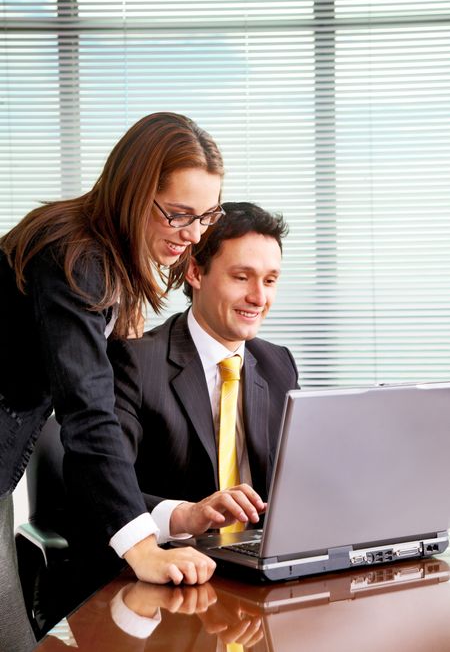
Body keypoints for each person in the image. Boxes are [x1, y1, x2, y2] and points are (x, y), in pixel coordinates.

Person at [0, 111, 223, 651]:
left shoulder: (104, 258)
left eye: (205, 217)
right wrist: (142, 547)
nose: (192, 235)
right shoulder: (73, 253)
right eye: (177, 214)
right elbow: (87, 407)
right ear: (134, 191)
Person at [108, 202, 299, 540]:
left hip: (260, 565)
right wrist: (185, 515)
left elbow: (297, 482)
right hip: (173, 564)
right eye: (242, 277)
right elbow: (103, 486)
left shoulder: (278, 365)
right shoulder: (136, 363)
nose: (259, 297)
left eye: (270, 281)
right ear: (194, 272)